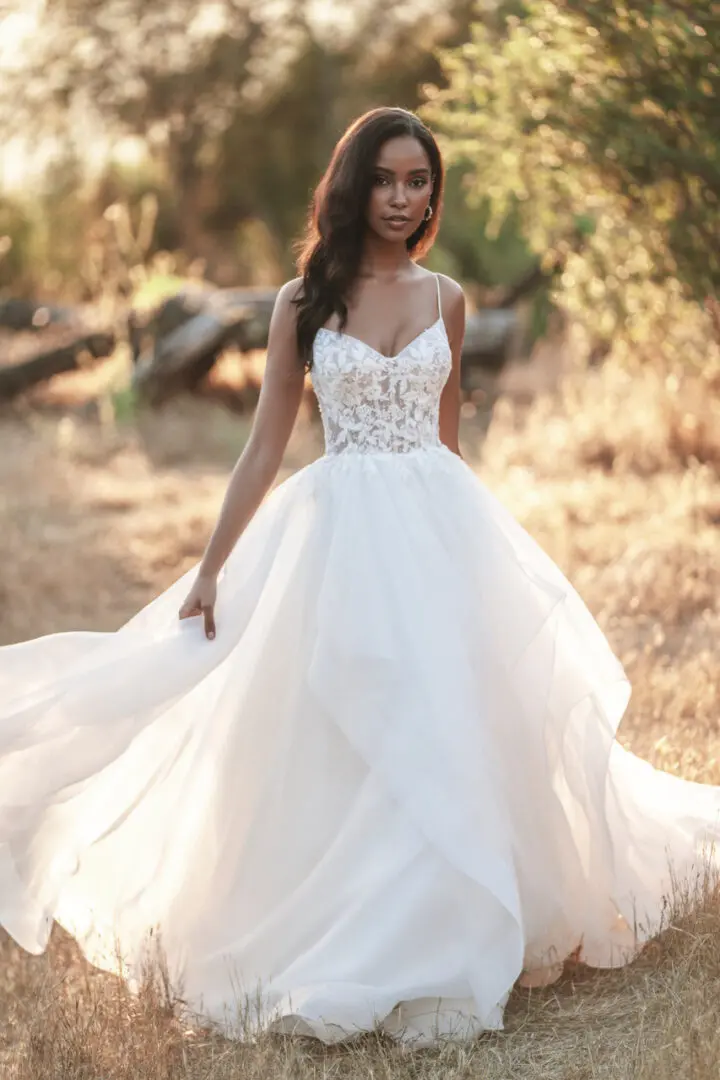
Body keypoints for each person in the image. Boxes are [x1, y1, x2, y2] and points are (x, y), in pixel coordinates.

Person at [1, 106, 719, 1050]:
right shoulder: (305, 300)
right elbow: (264, 447)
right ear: (352, 185)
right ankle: (340, 933)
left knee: (442, 725)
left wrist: (478, 563)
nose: (401, 197)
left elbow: (450, 441)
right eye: (384, 179)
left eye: (418, 181)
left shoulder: (448, 299)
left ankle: (442, 941)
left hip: (435, 528)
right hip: (333, 532)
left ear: (432, 191)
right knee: (338, 723)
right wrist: (212, 568)